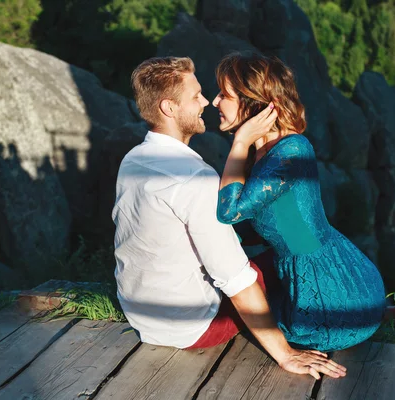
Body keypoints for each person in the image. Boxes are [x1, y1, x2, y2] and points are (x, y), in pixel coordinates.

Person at [112, 56, 346, 380]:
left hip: (141, 312)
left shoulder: (134, 159)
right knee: (279, 262)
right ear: (168, 108)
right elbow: (237, 281)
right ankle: (346, 316)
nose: (206, 101)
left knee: (277, 247)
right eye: (196, 96)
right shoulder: (194, 180)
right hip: (190, 328)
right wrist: (286, 356)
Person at [212, 52, 395, 350]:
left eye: (224, 94)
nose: (214, 102)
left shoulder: (292, 151)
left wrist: (241, 141)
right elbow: (244, 225)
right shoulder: (262, 155)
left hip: (326, 286)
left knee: (254, 323)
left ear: (253, 101)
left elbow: (230, 211)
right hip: (297, 271)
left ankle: (388, 315)